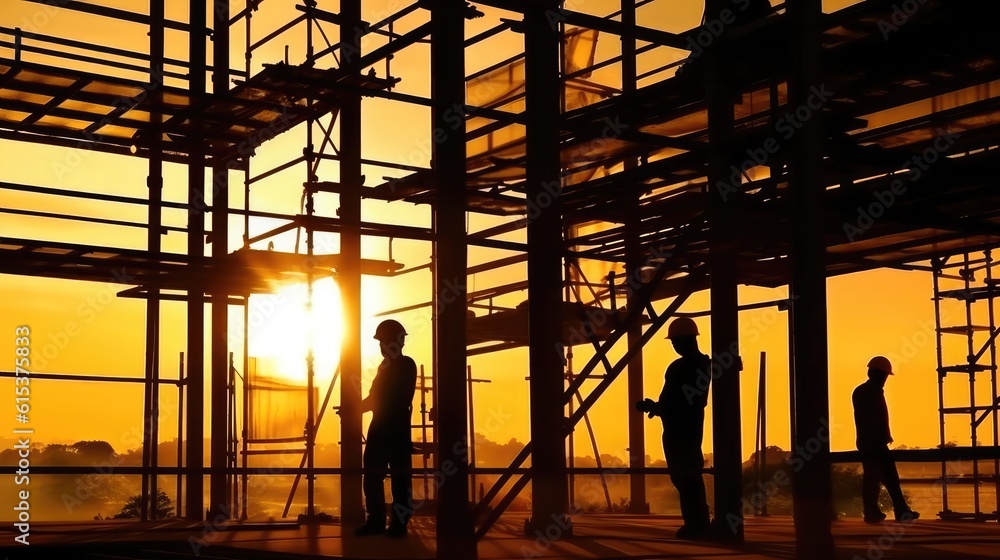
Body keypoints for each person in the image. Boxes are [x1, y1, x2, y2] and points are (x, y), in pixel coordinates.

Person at [636, 317, 712, 539]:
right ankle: (699, 521)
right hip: (689, 426)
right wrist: (658, 407)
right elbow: (686, 401)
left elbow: (677, 403)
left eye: (675, 342)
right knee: (689, 474)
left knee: (684, 476)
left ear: (683, 341)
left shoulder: (681, 367)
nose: (674, 346)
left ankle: (696, 524)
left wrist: (656, 407)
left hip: (677, 430)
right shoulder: (704, 365)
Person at [354, 319, 418, 538]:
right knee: (374, 477)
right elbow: (375, 398)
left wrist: (357, 409)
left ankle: (397, 524)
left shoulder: (405, 365)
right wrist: (355, 409)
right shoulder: (387, 367)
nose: (381, 347)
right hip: (384, 430)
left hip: (392, 431)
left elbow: (384, 398)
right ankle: (378, 522)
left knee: (398, 479)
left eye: (384, 342)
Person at [852, 356, 920, 523]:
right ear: (875, 374)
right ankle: (881, 510)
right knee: (877, 477)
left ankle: (882, 510)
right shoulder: (869, 392)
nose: (885, 380)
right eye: (883, 376)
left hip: (871, 442)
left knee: (882, 477)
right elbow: (874, 419)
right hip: (873, 443)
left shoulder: (864, 391)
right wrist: (882, 435)